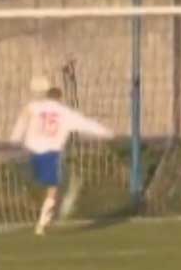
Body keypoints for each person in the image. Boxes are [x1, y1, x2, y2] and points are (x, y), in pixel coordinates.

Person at [10, 87, 114, 235]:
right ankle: (42, 223)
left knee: (39, 183)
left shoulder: (35, 106)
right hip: (50, 152)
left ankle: (41, 209)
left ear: (47, 97)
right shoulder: (65, 113)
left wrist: (16, 136)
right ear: (60, 98)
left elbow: (24, 114)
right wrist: (107, 132)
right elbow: (86, 124)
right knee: (53, 189)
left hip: (31, 150)